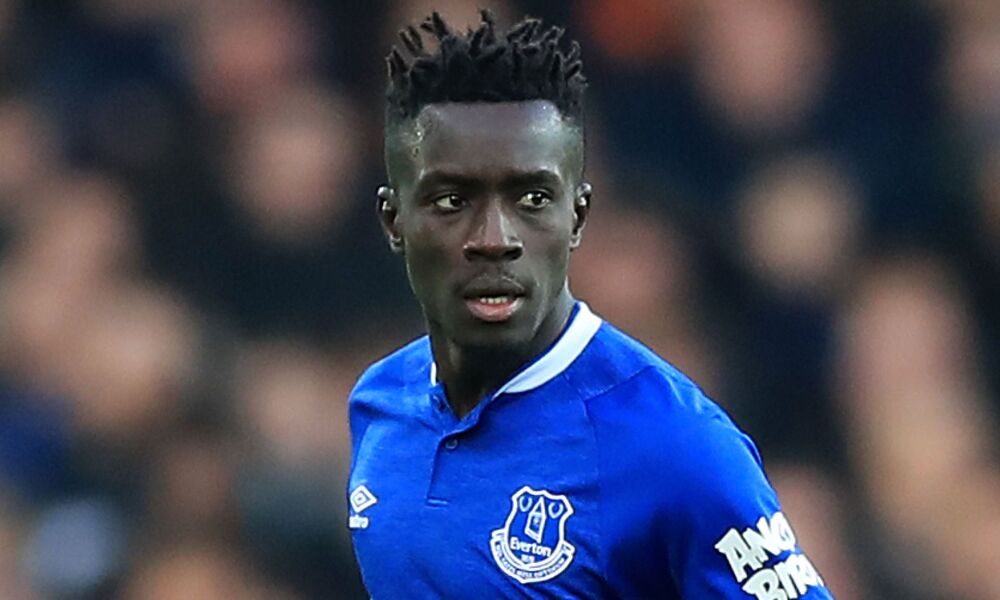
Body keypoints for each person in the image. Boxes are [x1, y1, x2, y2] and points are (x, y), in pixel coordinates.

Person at [347, 10, 834, 599]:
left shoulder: (673, 444)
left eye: (532, 198)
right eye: (452, 201)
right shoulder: (380, 405)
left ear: (577, 217)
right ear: (393, 221)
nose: (495, 238)